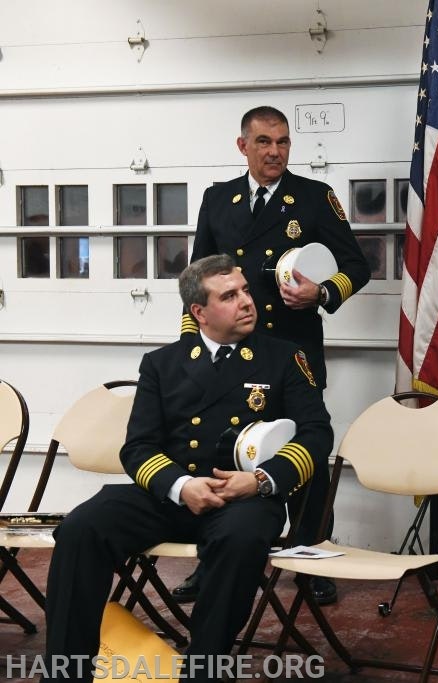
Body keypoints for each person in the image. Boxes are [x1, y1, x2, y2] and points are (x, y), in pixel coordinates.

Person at [44, 255, 332, 682]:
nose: (246, 302)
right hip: (174, 496)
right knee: (81, 527)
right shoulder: (162, 363)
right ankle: (65, 673)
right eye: (229, 295)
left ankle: (203, 670)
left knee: (241, 538)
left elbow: (316, 434)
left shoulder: (284, 358)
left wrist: (259, 480)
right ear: (199, 311)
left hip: (244, 499)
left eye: (246, 290)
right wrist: (180, 486)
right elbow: (138, 448)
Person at [177, 105, 370, 605]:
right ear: (243, 146)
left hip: (291, 349)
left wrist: (322, 294)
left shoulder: (314, 197)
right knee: (214, 451)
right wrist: (191, 343)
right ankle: (212, 559)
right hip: (228, 350)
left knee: (304, 449)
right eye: (264, 142)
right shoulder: (219, 199)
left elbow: (356, 265)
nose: (275, 152)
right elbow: (196, 278)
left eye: (283, 142)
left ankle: (310, 556)